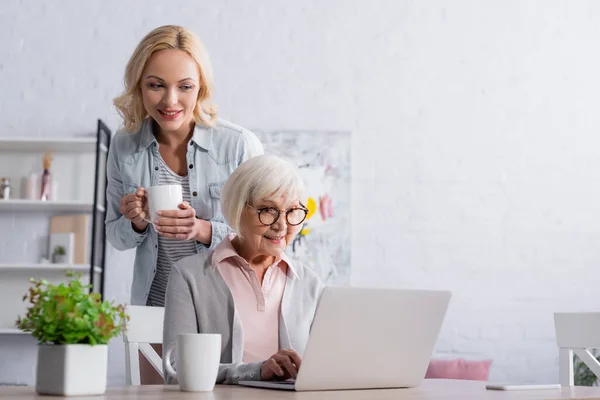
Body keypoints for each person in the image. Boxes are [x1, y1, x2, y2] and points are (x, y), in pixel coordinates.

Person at [105, 25, 263, 383]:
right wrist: (136, 223)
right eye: (156, 84)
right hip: (155, 306)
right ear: (138, 85)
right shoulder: (124, 146)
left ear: (201, 88)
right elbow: (115, 236)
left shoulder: (238, 146)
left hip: (221, 304)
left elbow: (265, 235)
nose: (170, 101)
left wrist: (204, 230)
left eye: (185, 86)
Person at [163, 155, 325, 384]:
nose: (282, 225)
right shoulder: (189, 276)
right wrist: (255, 371)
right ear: (238, 209)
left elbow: (328, 368)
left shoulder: (310, 283)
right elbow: (176, 371)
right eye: (268, 210)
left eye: (293, 211)